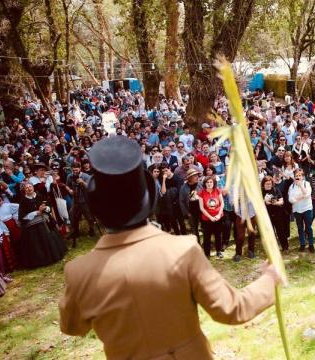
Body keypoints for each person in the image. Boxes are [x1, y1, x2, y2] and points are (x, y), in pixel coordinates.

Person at [59, 136, 282, 359]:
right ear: (148, 200)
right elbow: (232, 309)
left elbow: (72, 327)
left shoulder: (78, 272)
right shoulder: (182, 250)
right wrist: (269, 280)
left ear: (98, 208)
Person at [17, 182, 67, 268]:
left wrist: (46, 208)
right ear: (24, 190)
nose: (29, 188)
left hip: (46, 221)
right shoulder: (23, 201)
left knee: (50, 235)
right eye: (26, 188)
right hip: (33, 226)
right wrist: (36, 212)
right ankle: (43, 260)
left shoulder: (39, 195)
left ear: (33, 187)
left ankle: (55, 255)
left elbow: (49, 205)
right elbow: (22, 216)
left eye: (30, 186)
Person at [65, 163, 95, 247]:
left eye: (76, 170)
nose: (75, 171)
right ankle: (76, 231)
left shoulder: (86, 176)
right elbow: (66, 186)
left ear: (80, 168)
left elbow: (91, 187)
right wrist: (69, 190)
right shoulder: (69, 176)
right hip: (75, 200)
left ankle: (91, 229)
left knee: (89, 216)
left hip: (85, 200)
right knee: (72, 215)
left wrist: (83, 183)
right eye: (73, 170)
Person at [288, 168, 314, 253]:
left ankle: (311, 244)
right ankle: (302, 244)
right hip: (297, 210)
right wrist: (300, 197)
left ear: (302, 176)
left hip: (307, 208)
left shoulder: (306, 184)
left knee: (308, 227)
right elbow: (291, 199)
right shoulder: (291, 187)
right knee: (300, 228)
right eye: (296, 176)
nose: (298, 177)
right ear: (294, 177)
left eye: (300, 175)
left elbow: (307, 194)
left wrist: (300, 186)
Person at [198, 175, 224, 258]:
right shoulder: (201, 193)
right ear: (205, 184)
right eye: (207, 182)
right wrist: (210, 217)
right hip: (207, 219)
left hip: (218, 217)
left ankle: (219, 251)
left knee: (218, 235)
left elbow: (222, 203)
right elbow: (202, 208)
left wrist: (219, 215)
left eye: (211, 182)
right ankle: (207, 253)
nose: (209, 184)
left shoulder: (217, 191)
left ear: (214, 183)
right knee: (207, 237)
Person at [262, 176, 289, 252]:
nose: (268, 185)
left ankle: (285, 247)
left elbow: (282, 201)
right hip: (266, 214)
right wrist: (265, 202)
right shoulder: (261, 191)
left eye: (270, 184)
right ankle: (272, 249)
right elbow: (258, 203)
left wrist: (276, 203)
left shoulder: (275, 189)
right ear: (263, 184)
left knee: (280, 231)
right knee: (269, 232)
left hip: (277, 213)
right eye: (267, 184)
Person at [179, 168, 202, 241]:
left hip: (202, 210)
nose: (197, 177)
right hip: (191, 212)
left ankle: (206, 243)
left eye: (197, 175)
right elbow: (181, 201)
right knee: (194, 230)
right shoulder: (183, 188)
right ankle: (197, 244)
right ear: (189, 178)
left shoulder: (200, 185)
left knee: (205, 228)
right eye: (194, 176)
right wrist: (187, 213)